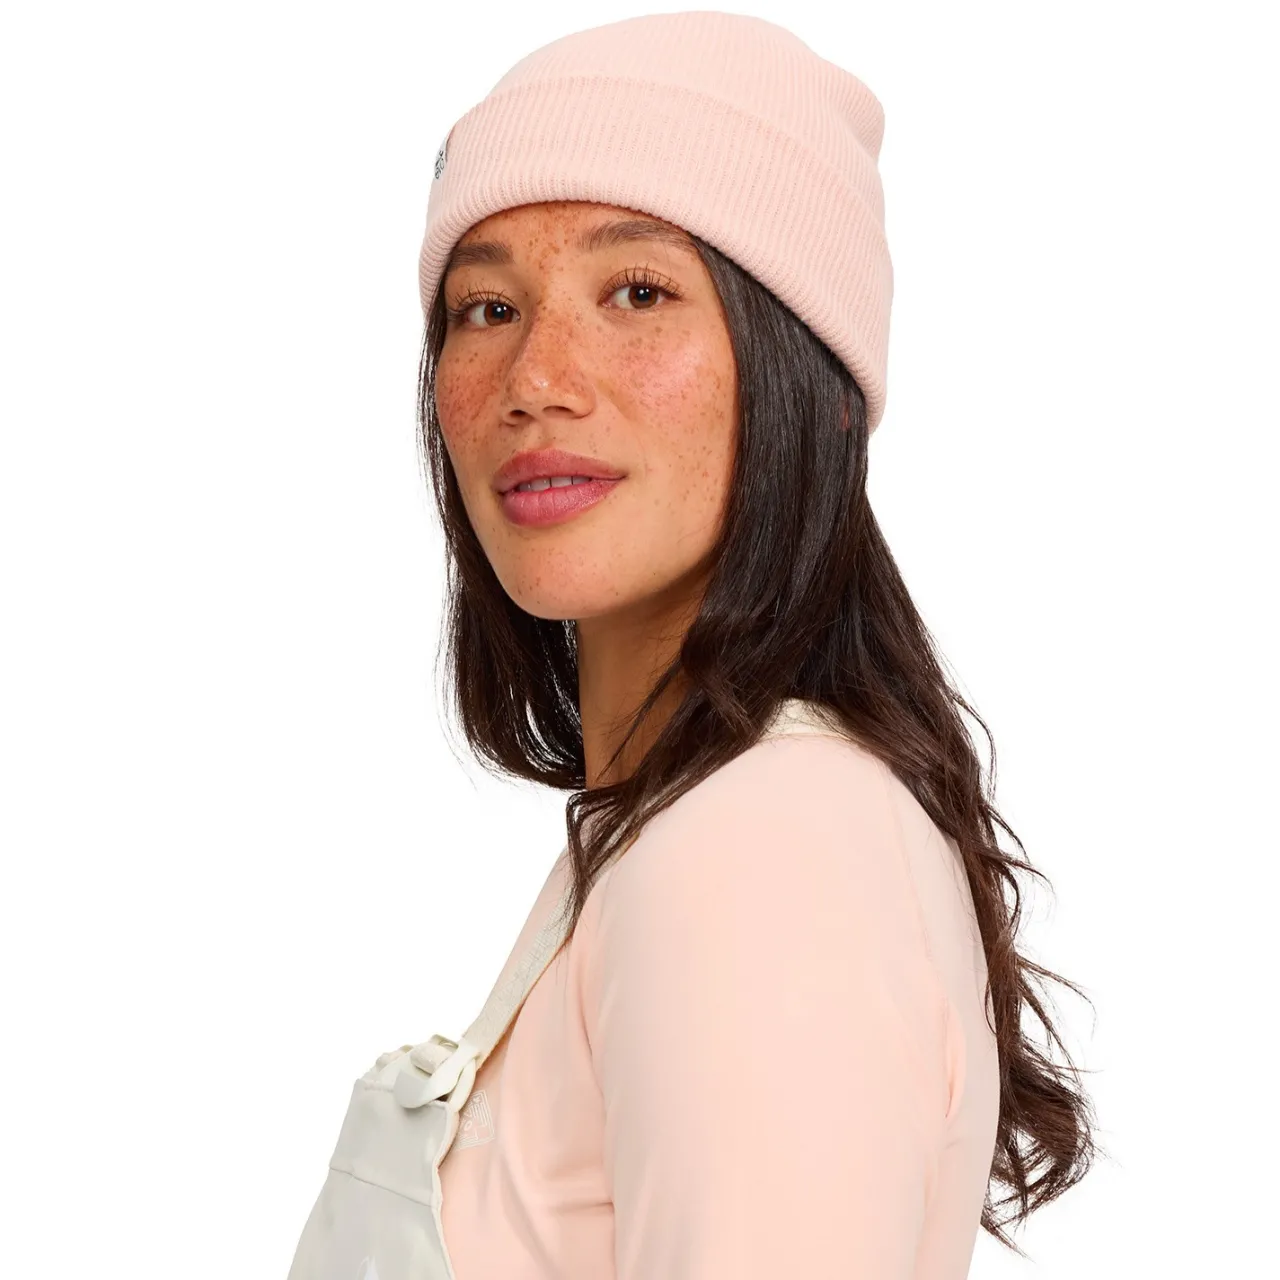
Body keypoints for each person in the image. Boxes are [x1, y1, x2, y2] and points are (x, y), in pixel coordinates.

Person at [304, 11, 1101, 1279]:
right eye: (486, 306)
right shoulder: (681, 824)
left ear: (802, 374)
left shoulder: (766, 844)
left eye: (637, 291)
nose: (535, 377)